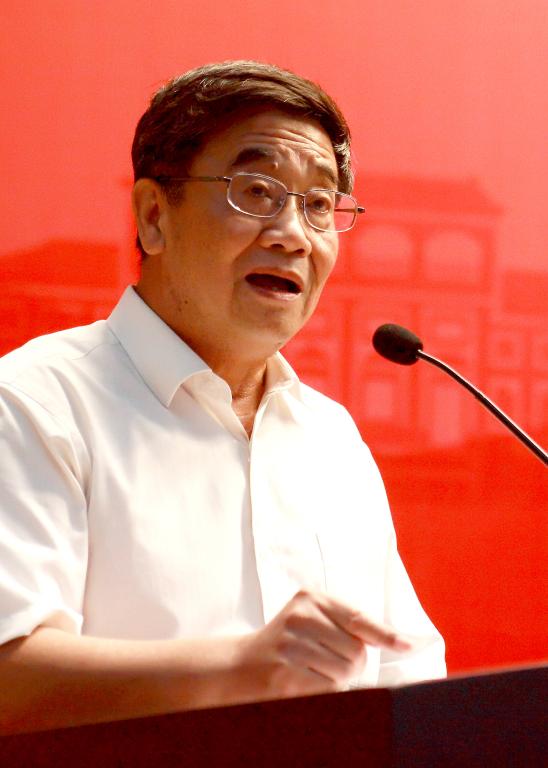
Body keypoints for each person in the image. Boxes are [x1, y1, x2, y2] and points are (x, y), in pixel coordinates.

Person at [0, 61, 445, 734]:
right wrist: (238, 667)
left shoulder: (331, 438)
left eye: (319, 205)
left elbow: (407, 679)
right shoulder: (37, 404)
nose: (293, 234)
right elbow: (9, 674)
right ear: (154, 216)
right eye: (256, 191)